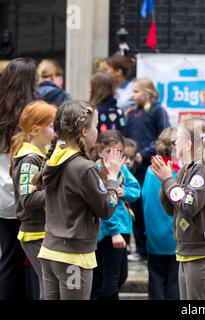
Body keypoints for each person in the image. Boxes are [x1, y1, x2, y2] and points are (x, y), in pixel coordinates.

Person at [33, 100, 123, 300]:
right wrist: (112, 179)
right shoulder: (84, 168)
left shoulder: (55, 158)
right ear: (83, 131)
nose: (97, 131)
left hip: (49, 251)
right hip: (73, 258)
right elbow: (107, 208)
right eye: (96, 126)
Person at [151, 117, 205, 300]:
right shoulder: (186, 169)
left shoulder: (202, 169)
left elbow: (188, 206)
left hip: (202, 254)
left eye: (177, 138)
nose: (174, 142)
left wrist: (169, 181)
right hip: (187, 251)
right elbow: (173, 209)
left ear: (188, 144)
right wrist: (166, 182)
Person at [9, 100, 57, 300]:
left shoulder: (39, 155)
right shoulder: (29, 159)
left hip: (43, 231)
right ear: (36, 129)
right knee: (49, 289)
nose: (57, 130)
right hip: (35, 233)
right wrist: (58, 192)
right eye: (52, 125)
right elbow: (28, 199)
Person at [0, 57, 39, 300]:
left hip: (2, 194)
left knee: (9, 257)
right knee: (36, 260)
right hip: (29, 190)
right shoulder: (34, 112)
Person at [124, 77, 170, 262]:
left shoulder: (158, 111)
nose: (133, 95)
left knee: (147, 207)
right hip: (133, 167)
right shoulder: (131, 114)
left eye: (136, 91)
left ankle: (149, 246)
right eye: (132, 92)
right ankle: (140, 248)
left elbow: (163, 136)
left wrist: (143, 152)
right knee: (134, 205)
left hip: (150, 167)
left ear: (147, 93)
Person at [91, 130, 141, 300]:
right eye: (108, 152)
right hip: (108, 232)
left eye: (117, 152)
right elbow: (103, 206)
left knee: (120, 275)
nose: (113, 156)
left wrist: (124, 191)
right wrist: (114, 232)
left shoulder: (122, 169)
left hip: (123, 228)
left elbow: (136, 190)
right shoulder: (97, 169)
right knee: (109, 279)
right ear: (99, 151)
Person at [142, 127, 180, 300]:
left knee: (156, 284)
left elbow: (146, 202)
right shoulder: (177, 172)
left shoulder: (151, 170)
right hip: (175, 237)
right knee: (175, 286)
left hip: (154, 237)